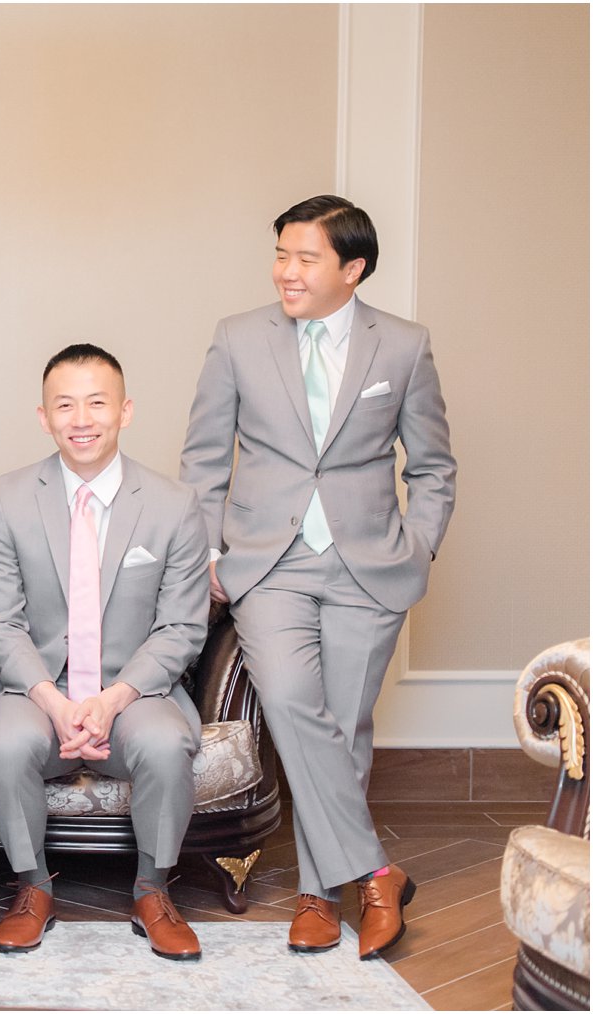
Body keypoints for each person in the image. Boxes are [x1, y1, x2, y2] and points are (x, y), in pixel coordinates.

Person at [180, 195, 456, 958]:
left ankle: (316, 892)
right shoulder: (238, 338)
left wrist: (419, 546)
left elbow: (433, 467)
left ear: (352, 268)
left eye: (305, 258)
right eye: (280, 255)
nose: (286, 272)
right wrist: (209, 553)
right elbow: (203, 458)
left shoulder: (401, 346)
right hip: (268, 562)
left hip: (370, 565)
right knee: (298, 704)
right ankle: (373, 873)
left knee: (345, 722)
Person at [0, 343, 209, 961]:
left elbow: (181, 627)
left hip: (132, 691)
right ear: (43, 416)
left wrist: (112, 698)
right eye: (65, 405)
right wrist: (52, 700)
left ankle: (153, 890)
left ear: (125, 411)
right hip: (35, 685)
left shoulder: (173, 505)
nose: (82, 419)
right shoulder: (8, 497)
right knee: (8, 742)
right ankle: (31, 885)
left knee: (163, 742)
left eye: (97, 403)